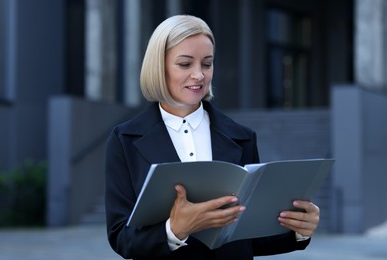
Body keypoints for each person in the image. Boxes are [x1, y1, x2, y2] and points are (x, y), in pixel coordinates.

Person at [105, 14, 320, 260]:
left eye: (206, 64)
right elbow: (121, 238)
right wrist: (175, 230)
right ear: (158, 66)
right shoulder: (124, 140)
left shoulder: (242, 137)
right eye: (185, 64)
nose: (199, 75)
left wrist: (298, 229)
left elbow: (248, 237)